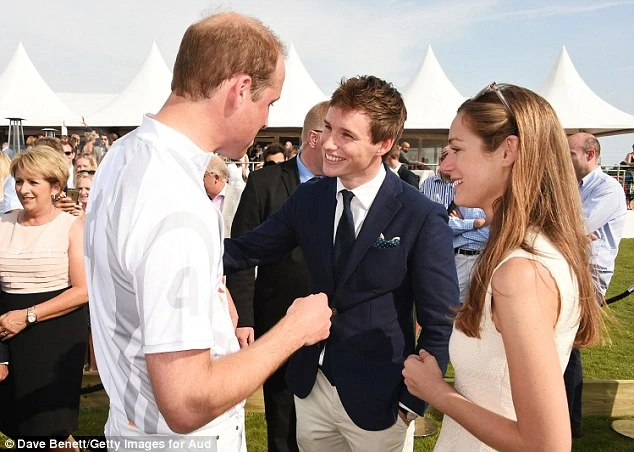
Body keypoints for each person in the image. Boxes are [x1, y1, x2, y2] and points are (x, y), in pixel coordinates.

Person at [83, 12, 332, 451]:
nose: (266, 120)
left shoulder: (125, 155)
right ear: (240, 89)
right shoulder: (173, 196)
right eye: (269, 102)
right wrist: (293, 331)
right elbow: (187, 400)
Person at [224, 75, 459, 452]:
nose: (328, 143)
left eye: (346, 135)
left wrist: (410, 405)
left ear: (383, 143)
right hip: (311, 389)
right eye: (329, 128)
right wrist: (170, 251)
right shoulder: (309, 198)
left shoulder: (420, 215)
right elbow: (246, 249)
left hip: (381, 400)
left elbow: (439, 320)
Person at [402, 83, 605, 451]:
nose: (445, 166)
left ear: (508, 151)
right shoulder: (532, 252)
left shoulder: (520, 272)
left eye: (457, 149)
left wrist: (437, 392)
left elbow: (546, 444)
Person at [227, 100, 330, 452]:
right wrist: (244, 318)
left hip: (332, 324)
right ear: (315, 137)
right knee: (283, 418)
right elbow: (241, 253)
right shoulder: (265, 182)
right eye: (335, 133)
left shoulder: (344, 185)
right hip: (277, 318)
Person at [0, 145, 88, 445]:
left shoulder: (72, 227)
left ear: (56, 187)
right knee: (17, 429)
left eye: (33, 182)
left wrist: (28, 316)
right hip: (7, 333)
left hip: (55, 337)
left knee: (50, 431)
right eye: (19, 181)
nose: (23, 189)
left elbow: (83, 290)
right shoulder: (3, 223)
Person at [565, 132, 626, 438]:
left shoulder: (608, 189)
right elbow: (568, 229)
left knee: (567, 347)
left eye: (571, 154)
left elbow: (575, 227)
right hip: (570, 271)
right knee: (563, 347)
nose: (565, 160)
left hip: (589, 279)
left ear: (590, 155)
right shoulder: (573, 187)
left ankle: (568, 423)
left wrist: (572, 232)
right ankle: (565, 421)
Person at [204, 155, 243, 237]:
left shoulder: (240, 197)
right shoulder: (199, 197)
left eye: (204, 176)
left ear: (216, 178)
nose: (200, 180)